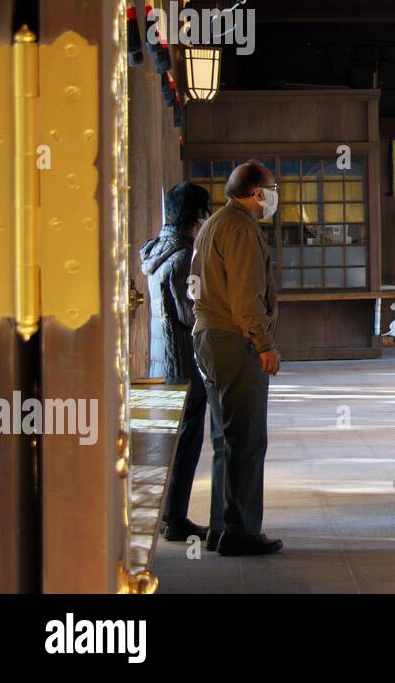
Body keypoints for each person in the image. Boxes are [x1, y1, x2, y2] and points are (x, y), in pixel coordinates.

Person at [190, 160, 284, 556]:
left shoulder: (215, 223)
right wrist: (264, 343)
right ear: (257, 192)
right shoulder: (242, 228)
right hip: (234, 339)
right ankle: (241, 531)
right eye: (272, 188)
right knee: (246, 438)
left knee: (225, 438)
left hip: (210, 335)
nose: (274, 196)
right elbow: (247, 296)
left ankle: (221, 527)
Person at [140, 182, 213, 542]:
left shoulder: (156, 251)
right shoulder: (184, 256)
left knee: (166, 443)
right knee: (186, 443)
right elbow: (188, 313)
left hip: (160, 362)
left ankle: (167, 513)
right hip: (180, 362)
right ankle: (174, 517)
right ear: (197, 216)